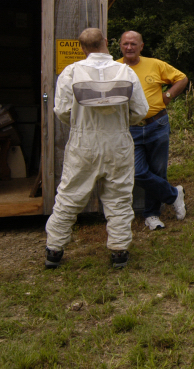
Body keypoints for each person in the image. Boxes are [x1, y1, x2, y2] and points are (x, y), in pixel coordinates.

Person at [45, 28, 149, 269]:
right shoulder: (126, 72)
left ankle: (54, 250)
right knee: (119, 196)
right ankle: (119, 251)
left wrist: (79, 124)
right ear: (105, 42)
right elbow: (141, 110)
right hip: (118, 142)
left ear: (82, 48)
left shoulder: (71, 72)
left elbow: (61, 110)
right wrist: (123, 123)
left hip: (84, 142)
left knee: (70, 196)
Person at [118, 31, 188, 230]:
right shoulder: (115, 68)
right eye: (125, 44)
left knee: (158, 170)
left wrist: (168, 94)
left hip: (156, 125)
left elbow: (181, 78)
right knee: (137, 172)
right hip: (129, 128)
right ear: (120, 46)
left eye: (133, 44)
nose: (129, 47)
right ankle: (174, 195)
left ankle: (152, 215)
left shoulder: (155, 64)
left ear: (141, 46)